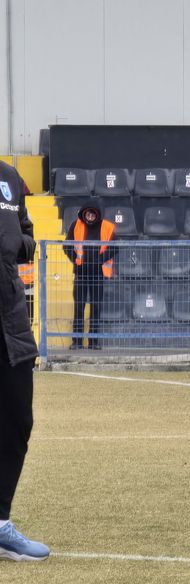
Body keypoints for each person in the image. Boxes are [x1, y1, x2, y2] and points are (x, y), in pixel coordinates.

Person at [0, 158, 49, 560]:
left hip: (10, 324)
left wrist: (19, 244)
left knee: (18, 420)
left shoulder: (9, 178)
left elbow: (28, 235)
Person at [63, 204, 115, 350]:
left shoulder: (107, 227)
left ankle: (94, 342)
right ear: (84, 215)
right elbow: (66, 245)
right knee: (79, 307)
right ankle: (77, 342)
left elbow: (114, 247)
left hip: (98, 274)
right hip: (81, 274)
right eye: (88, 215)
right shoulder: (76, 225)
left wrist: (100, 259)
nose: (90, 218)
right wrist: (75, 259)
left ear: (97, 216)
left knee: (96, 308)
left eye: (92, 215)